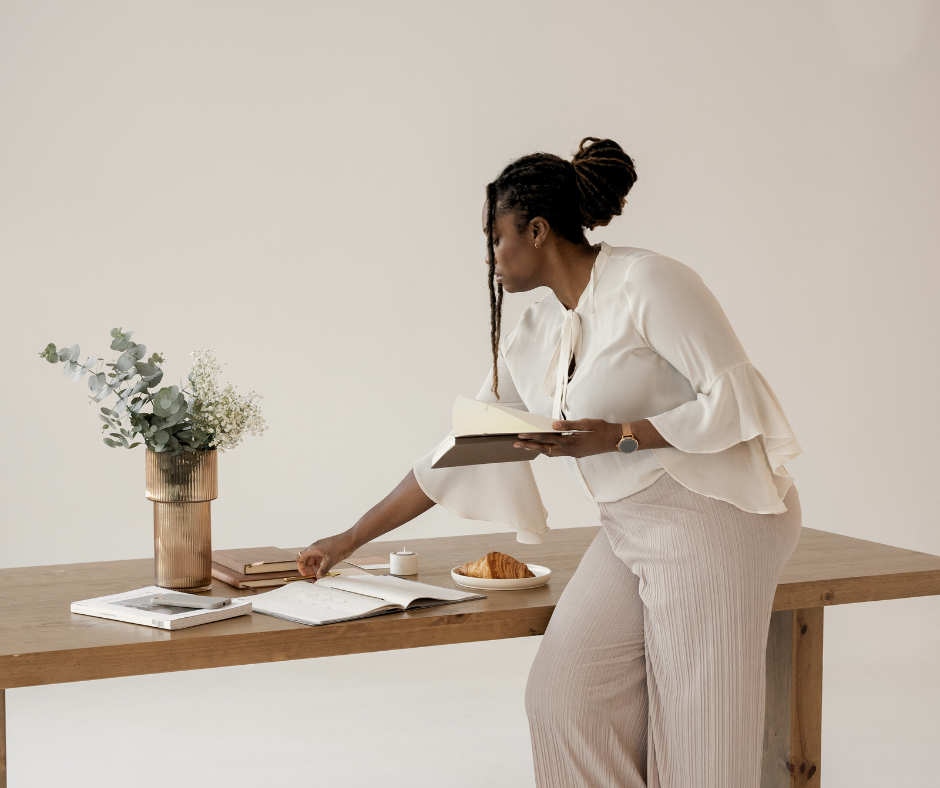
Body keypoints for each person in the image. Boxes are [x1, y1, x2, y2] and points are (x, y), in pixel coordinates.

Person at [298, 137, 803, 788]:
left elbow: (739, 405)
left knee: (700, 747)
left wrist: (619, 433)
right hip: (631, 526)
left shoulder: (649, 282)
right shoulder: (536, 335)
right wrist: (348, 538)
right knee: (565, 698)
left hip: (713, 516)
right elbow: (459, 448)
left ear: (536, 231)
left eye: (497, 237)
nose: (491, 256)